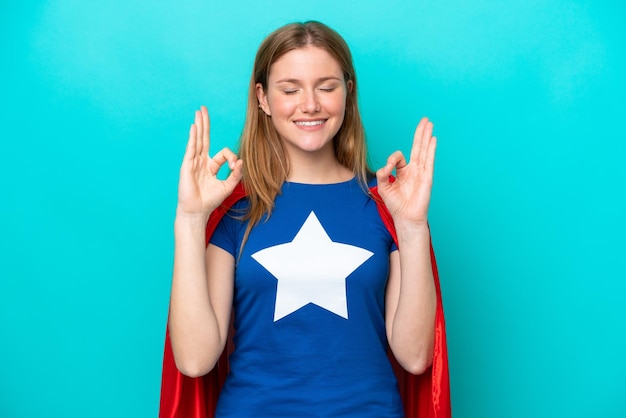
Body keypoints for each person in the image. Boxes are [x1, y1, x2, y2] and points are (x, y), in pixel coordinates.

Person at [160, 21, 450, 417]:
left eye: (327, 86)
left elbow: (416, 357)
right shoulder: (236, 211)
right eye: (290, 89)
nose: (310, 104)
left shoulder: (387, 205)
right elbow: (195, 361)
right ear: (262, 98)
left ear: (349, 91)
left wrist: (413, 227)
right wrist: (191, 219)